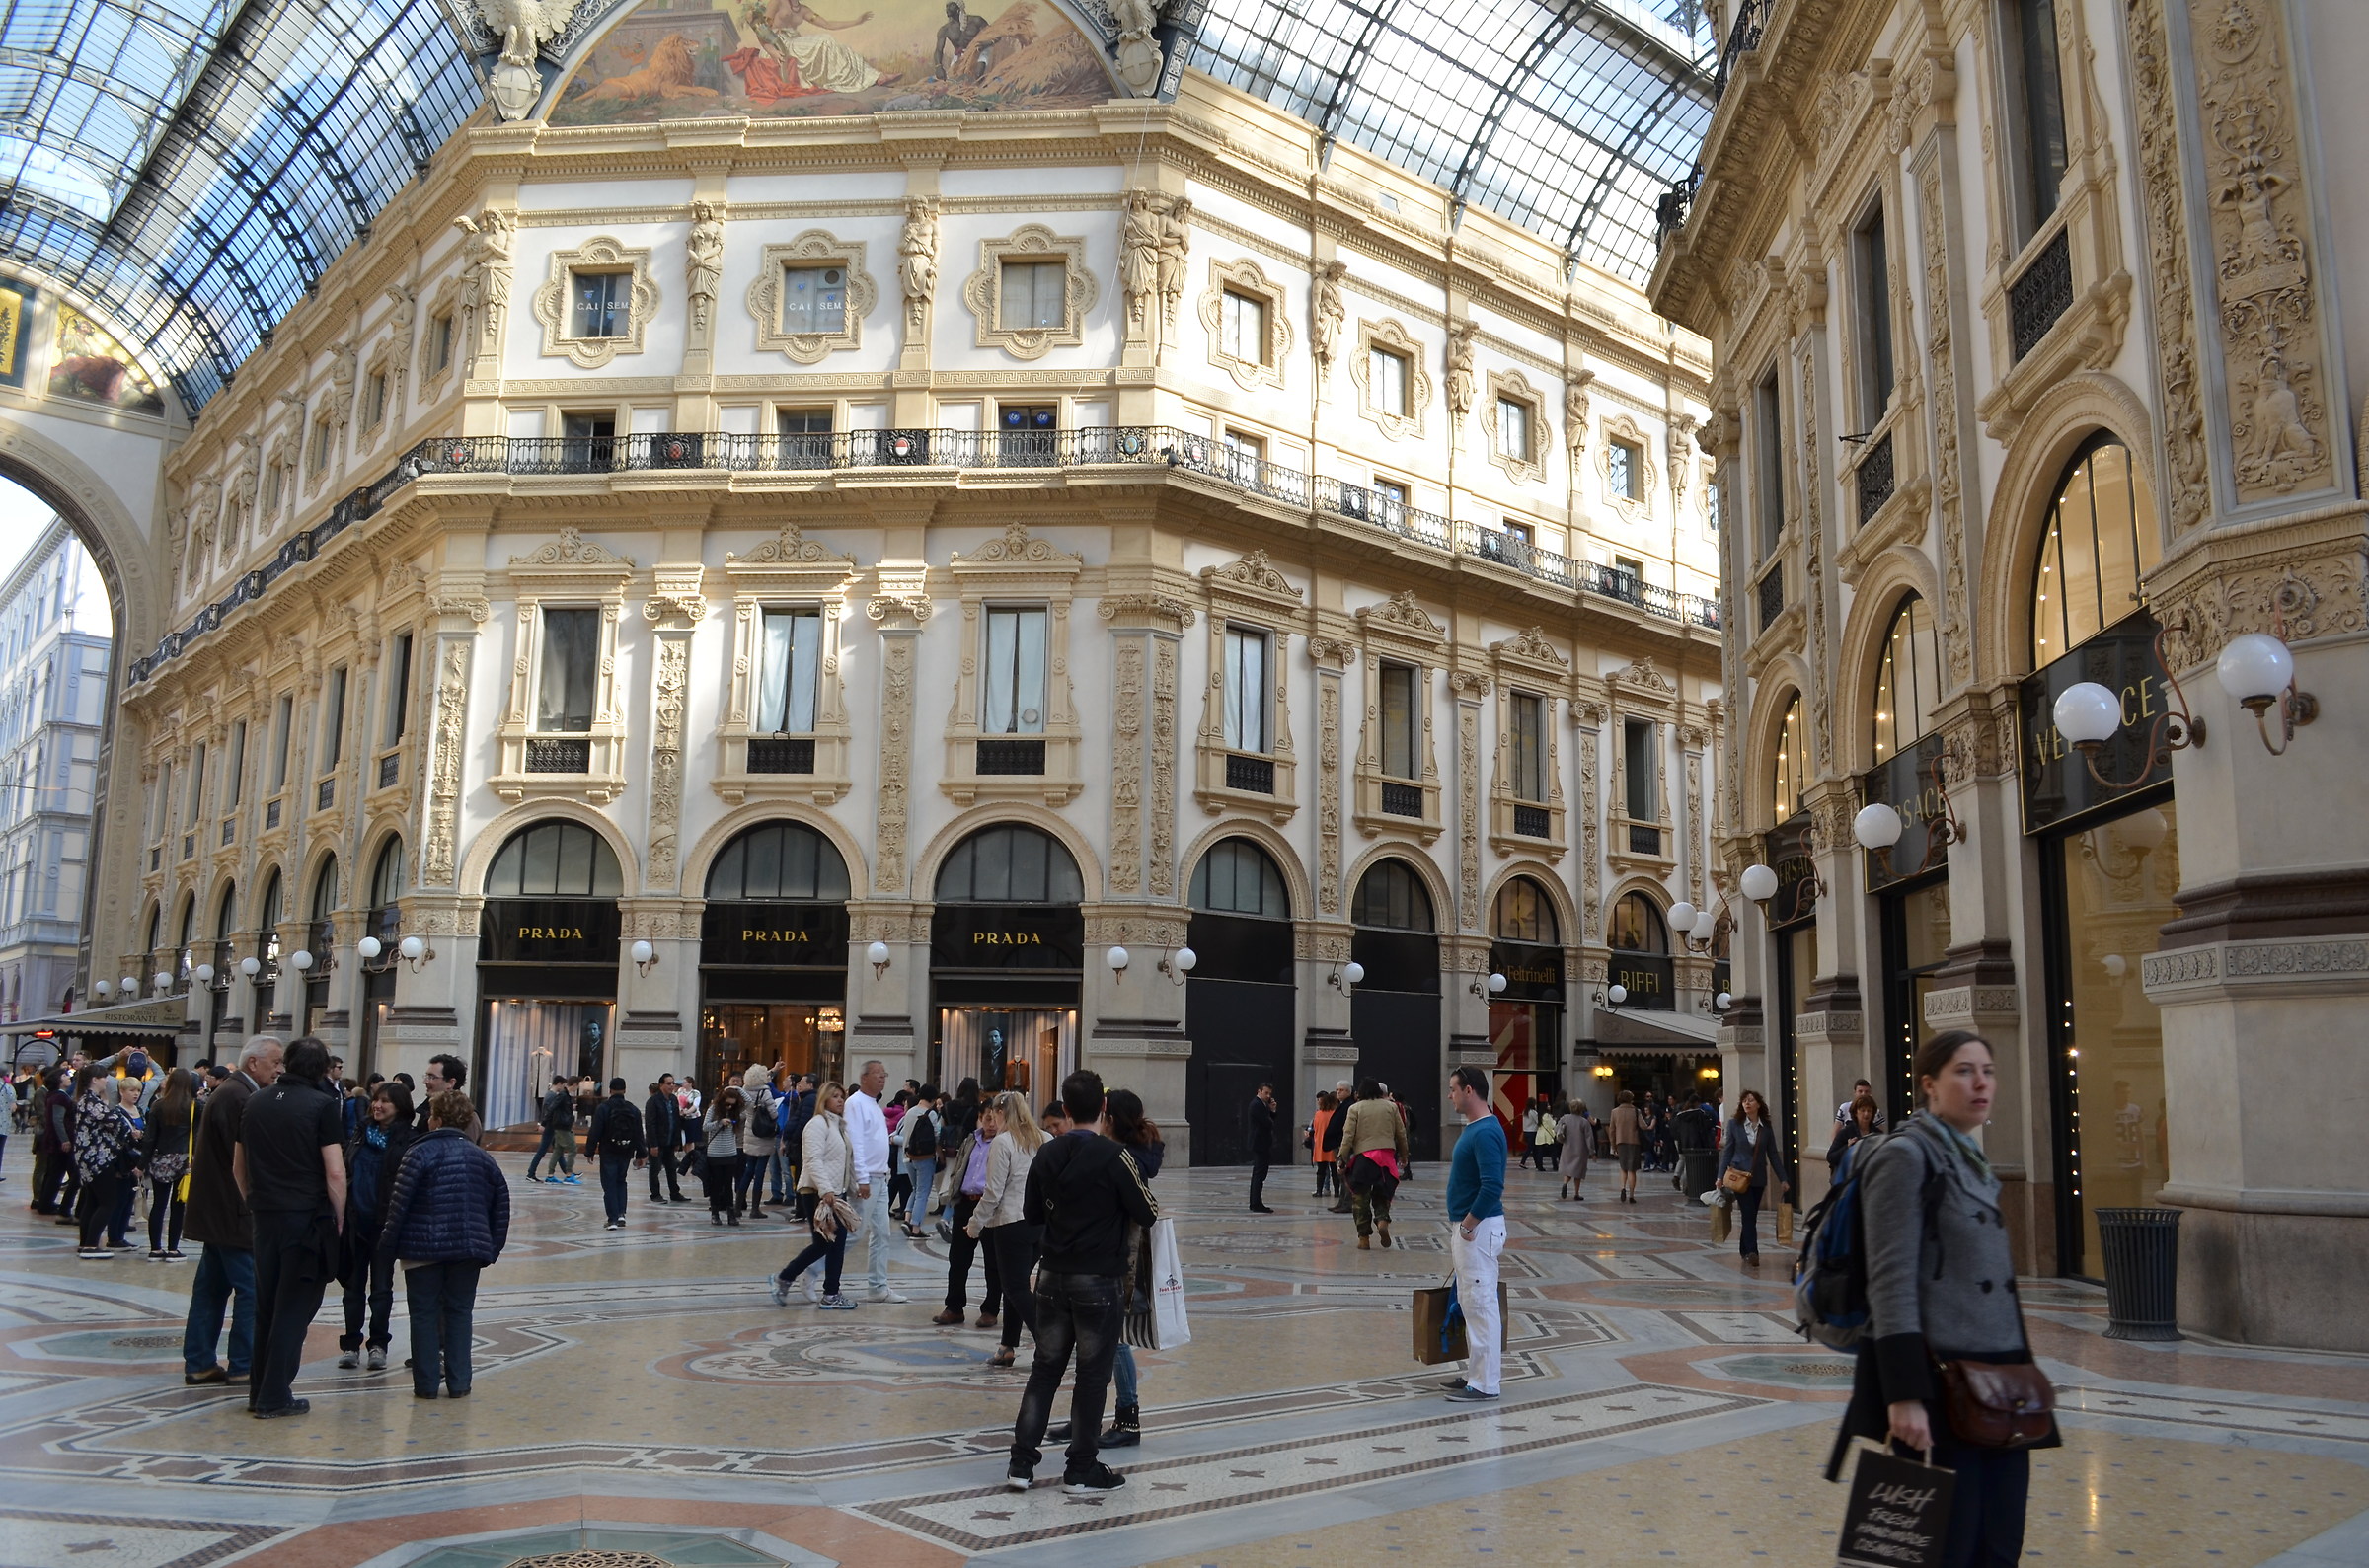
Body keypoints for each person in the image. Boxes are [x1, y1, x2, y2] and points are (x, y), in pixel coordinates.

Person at [1828, 1030, 2056, 1565]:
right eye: (1964, 1070)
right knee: (1945, 1549)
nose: (1981, 1082)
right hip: (1940, 1388)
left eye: (1988, 1070)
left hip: (2001, 1388)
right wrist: (1904, 1395)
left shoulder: (1971, 1161)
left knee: (1998, 1545)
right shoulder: (1906, 1156)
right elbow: (1890, 1281)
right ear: (1929, 1084)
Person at [1006, 1069, 1158, 1497]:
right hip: (1098, 1280)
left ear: (1066, 1110)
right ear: (1103, 1108)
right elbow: (1147, 1210)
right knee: (1092, 1376)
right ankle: (1081, 1468)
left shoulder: (1047, 1154)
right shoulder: (1115, 1157)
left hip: (1053, 1276)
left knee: (1044, 1371)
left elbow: (1032, 1215)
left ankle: (1021, 1462)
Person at [236, 1037, 347, 1419]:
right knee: (295, 1308)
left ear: (286, 1064)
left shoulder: (255, 1101)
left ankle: (258, 1389)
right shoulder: (322, 1106)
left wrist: (254, 1200)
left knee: (266, 1305)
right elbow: (334, 1170)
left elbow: (239, 1165)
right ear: (321, 1070)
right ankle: (274, 1395)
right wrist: (339, 1216)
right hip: (304, 1217)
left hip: (265, 1216)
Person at [377, 1088, 511, 1399]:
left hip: (421, 1248)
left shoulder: (418, 1153)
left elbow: (399, 1206)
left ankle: (425, 1385)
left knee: (423, 1313)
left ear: (435, 1120)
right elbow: (501, 1206)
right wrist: (491, 1247)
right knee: (460, 1312)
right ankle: (460, 1382)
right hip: (467, 1248)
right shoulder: (482, 1158)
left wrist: (387, 1247)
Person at [183, 1037, 279, 1385]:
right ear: (254, 1063)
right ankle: (242, 1363)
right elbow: (248, 1158)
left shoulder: (230, 1092)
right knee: (251, 1288)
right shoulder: (241, 1097)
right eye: (275, 1062)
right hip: (232, 1213)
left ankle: (199, 1361)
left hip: (217, 1212)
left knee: (211, 1287)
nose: (279, 1069)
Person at [337, 1081, 416, 1371]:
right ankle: (350, 1345)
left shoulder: (408, 1138)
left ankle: (378, 1344)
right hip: (356, 1223)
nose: (377, 1106)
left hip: (385, 1225)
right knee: (352, 1287)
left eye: (385, 1102)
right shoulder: (360, 1133)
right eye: (375, 1100)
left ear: (400, 1107)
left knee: (381, 1289)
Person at [1442, 1066, 1507, 1402]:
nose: (1449, 1095)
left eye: (1453, 1089)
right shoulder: (1477, 1128)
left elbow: (1492, 1184)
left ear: (1469, 1090)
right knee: (1472, 1302)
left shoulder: (1484, 1132)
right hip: (1473, 1229)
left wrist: (1469, 1224)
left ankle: (1484, 1383)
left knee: (1480, 1304)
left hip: (1478, 1230)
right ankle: (1476, 1374)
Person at [972, 1089, 1045, 1369]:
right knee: (1015, 1286)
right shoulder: (1044, 1139)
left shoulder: (1003, 1142)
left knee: (1014, 1287)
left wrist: (976, 1224)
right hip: (1038, 1224)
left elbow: (993, 1192)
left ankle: (1049, 1340)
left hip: (1011, 1222)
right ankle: (1007, 1347)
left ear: (1001, 1113)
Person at [773, 1080, 859, 1309]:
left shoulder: (839, 1126)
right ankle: (786, 1277)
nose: (840, 1100)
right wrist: (826, 1190)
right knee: (824, 1244)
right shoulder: (817, 1124)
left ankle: (830, 1292)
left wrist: (852, 1187)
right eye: (835, 1096)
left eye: (842, 1096)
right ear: (824, 1100)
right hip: (817, 1193)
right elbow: (812, 1160)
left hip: (835, 1194)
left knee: (835, 1245)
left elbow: (844, 1160)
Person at [934, 1096, 1003, 1327]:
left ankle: (990, 1309)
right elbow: (961, 1167)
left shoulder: (1003, 1143)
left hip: (992, 1206)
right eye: (986, 1118)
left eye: (995, 1119)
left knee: (993, 1260)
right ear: (979, 1119)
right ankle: (954, 1307)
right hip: (966, 1203)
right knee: (959, 1258)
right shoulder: (971, 1140)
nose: (991, 1124)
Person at [845, 1059, 906, 1302]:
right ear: (864, 1078)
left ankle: (878, 1287)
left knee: (882, 1234)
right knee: (853, 1234)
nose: (882, 1077)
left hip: (881, 1178)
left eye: (884, 1073)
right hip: (866, 1179)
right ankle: (813, 1272)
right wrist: (861, 1179)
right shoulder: (855, 1104)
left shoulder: (874, 1105)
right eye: (877, 1073)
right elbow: (856, 1144)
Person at [72, 1073, 140, 1258]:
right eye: (103, 1077)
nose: (106, 1080)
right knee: (108, 1202)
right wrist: (130, 1131)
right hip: (97, 1158)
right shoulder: (91, 1101)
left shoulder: (87, 1099)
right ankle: (92, 1246)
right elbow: (112, 1120)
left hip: (89, 1157)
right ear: (94, 1079)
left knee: (92, 1201)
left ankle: (86, 1243)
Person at [1336, 1080, 1409, 1249]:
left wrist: (1342, 1157)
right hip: (1386, 1158)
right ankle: (1382, 1220)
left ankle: (1364, 1238)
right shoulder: (1391, 1107)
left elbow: (1348, 1136)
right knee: (1382, 1193)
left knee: (1360, 1197)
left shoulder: (1355, 1108)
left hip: (1364, 1158)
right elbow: (1401, 1133)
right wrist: (1404, 1155)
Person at [1720, 1089, 1787, 1267]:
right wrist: (1720, 1176)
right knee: (1748, 1213)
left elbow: (1772, 1154)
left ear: (1758, 1104)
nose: (1747, 1104)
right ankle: (1752, 1252)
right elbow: (1728, 1152)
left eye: (1751, 1101)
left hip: (1758, 1177)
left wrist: (1783, 1179)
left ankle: (1744, 1248)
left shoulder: (1765, 1127)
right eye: (1744, 1101)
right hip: (1739, 1176)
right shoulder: (1735, 1124)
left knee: (1751, 1215)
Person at [143, 1067, 199, 1260]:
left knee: (158, 1204)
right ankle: (173, 1248)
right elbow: (199, 1136)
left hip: (161, 1158)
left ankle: (155, 1248)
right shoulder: (195, 1106)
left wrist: (142, 1163)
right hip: (184, 1161)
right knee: (178, 1206)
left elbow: (150, 1137)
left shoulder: (159, 1106)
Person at [587, 1078, 647, 1231]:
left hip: (608, 1151)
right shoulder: (633, 1109)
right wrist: (641, 1153)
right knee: (621, 1180)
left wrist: (590, 1150)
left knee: (609, 1183)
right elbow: (639, 1133)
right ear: (625, 1090)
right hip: (626, 1150)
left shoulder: (603, 1108)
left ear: (610, 1090)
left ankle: (612, 1218)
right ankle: (621, 1214)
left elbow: (595, 1131)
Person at [736, 1063, 779, 1219]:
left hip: (749, 1133)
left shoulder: (744, 1091)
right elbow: (774, 1114)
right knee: (759, 1172)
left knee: (748, 1171)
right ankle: (755, 1208)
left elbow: (742, 1113)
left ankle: (738, 1206)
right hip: (763, 1135)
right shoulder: (765, 1093)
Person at [900, 1085, 943, 1238]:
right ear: (932, 1098)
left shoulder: (910, 1112)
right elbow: (937, 1135)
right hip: (924, 1158)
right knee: (922, 1193)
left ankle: (907, 1219)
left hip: (908, 1156)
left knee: (916, 1189)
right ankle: (916, 1227)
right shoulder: (930, 1114)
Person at [702, 1086, 747, 1226]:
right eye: (727, 1103)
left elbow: (749, 1103)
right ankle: (715, 1213)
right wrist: (719, 1122)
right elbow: (705, 1127)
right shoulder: (713, 1109)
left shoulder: (736, 1111)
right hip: (715, 1153)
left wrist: (737, 1088)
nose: (729, 1106)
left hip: (730, 1152)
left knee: (728, 1185)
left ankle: (731, 1214)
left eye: (732, 1104)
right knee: (716, 1184)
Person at [418, 1055, 485, 1144]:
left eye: (432, 1077)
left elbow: (464, 1152)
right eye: (426, 1076)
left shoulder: (466, 1116)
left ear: (451, 1083)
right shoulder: (426, 1110)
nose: (425, 1081)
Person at [526, 1075, 577, 1184]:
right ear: (559, 1084)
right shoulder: (552, 1096)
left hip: (552, 1126)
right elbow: (549, 1112)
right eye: (563, 1084)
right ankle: (531, 1173)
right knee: (544, 1151)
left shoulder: (552, 1095)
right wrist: (543, 1124)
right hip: (550, 1127)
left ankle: (567, 1173)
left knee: (558, 1151)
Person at [645, 1076, 688, 1203]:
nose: (672, 1086)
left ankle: (675, 1192)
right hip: (657, 1142)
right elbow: (650, 1124)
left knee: (671, 1167)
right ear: (661, 1085)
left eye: (673, 1083)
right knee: (655, 1168)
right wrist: (653, 1144)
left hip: (670, 1141)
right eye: (669, 1083)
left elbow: (676, 1121)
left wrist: (677, 1141)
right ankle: (655, 1194)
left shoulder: (674, 1100)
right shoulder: (653, 1101)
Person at [1674, 1091, 1719, 1199]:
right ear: (1697, 1103)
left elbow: (1676, 1128)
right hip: (1695, 1143)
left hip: (1683, 1142)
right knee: (1690, 1166)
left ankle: (1678, 1178)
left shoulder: (1681, 1114)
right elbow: (1705, 1127)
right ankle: (1687, 1187)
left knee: (1683, 1161)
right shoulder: (1699, 1114)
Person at [1318, 1079, 1353, 1212]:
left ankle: (1347, 1203)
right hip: (1337, 1144)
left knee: (1345, 1174)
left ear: (1348, 1092)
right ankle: (1342, 1202)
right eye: (1337, 1090)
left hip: (1343, 1144)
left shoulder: (1349, 1106)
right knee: (1341, 1174)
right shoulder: (1342, 1105)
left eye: (1342, 1090)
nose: (1338, 1093)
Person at [1827, 1093, 1881, 1169]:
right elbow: (1830, 1157)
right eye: (1862, 1110)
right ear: (1855, 1112)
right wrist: (1847, 1147)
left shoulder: (1878, 1134)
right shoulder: (1846, 1132)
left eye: (1869, 1111)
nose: (1866, 1114)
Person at [1246, 1083, 1277, 1213]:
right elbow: (1268, 1123)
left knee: (1260, 1174)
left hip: (1262, 1143)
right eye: (1266, 1093)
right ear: (1259, 1091)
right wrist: (1271, 1112)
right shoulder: (1257, 1105)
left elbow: (1270, 1121)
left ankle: (1256, 1202)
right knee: (1259, 1174)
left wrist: (1272, 1111)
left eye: (1270, 1094)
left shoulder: (1262, 1105)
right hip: (1260, 1143)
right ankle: (1255, 1203)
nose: (1268, 1096)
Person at [1609, 1089, 1643, 1203]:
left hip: (1620, 1142)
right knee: (1631, 1170)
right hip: (1634, 1142)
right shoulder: (1636, 1111)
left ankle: (1622, 1187)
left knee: (1623, 1168)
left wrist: (1613, 1145)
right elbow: (1643, 1126)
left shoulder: (1614, 1112)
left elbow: (1612, 1130)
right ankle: (1631, 1195)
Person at [1557, 1098, 1591, 1199]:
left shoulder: (1564, 1118)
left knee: (1568, 1169)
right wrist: (1592, 1151)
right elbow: (1589, 1137)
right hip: (1580, 1149)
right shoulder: (1584, 1122)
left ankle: (1565, 1183)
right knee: (1578, 1172)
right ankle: (1576, 1193)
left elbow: (1557, 1129)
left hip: (1567, 1147)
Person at [1308, 1090, 1337, 1198]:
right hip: (1332, 1145)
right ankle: (1337, 1192)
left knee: (1321, 1171)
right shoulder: (1335, 1114)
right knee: (1334, 1171)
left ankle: (1319, 1191)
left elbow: (1314, 1129)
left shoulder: (1318, 1114)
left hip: (1320, 1145)